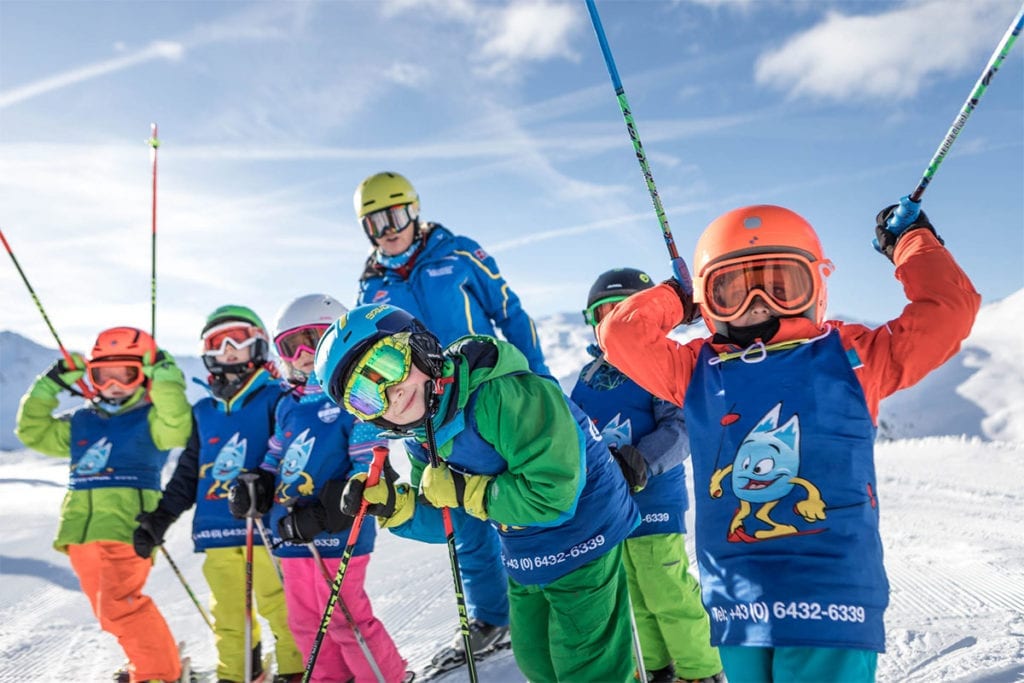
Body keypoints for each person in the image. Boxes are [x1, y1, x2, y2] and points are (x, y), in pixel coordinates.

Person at [598, 203, 980, 682]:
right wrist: (676, 295)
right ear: (709, 299)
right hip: (739, 602)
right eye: (731, 289)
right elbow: (620, 333)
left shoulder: (854, 357)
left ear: (815, 286)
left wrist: (913, 243)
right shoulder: (697, 372)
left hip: (831, 601)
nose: (758, 301)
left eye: (781, 284)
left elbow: (947, 314)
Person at [312, 303, 641, 682]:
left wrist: (465, 490)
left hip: (586, 533)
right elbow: (449, 520)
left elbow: (554, 495)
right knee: (535, 659)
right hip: (524, 544)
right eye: (365, 398)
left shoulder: (504, 394)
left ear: (420, 346)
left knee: (587, 666)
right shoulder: (424, 435)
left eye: (387, 366)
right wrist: (395, 506)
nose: (390, 393)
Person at [352, 171, 549, 666]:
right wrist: (378, 433)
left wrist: (538, 381)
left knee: (519, 497)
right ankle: (492, 618)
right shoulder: (371, 286)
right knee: (460, 515)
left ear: (414, 211)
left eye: (395, 216)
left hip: (486, 394)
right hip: (423, 415)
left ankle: (552, 600)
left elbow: (511, 312)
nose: (387, 230)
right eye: (373, 223)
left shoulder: (458, 253)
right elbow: (369, 361)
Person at [229, 293, 408, 683]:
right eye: (294, 345)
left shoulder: (355, 399)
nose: (307, 353)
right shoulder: (288, 405)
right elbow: (275, 457)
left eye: (318, 338)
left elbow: (368, 466)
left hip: (338, 532)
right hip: (290, 532)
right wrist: (258, 483)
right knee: (306, 622)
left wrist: (332, 512)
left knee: (345, 618)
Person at [132, 305, 304, 683]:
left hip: (265, 529)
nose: (229, 348)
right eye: (217, 341)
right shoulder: (204, 411)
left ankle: (295, 670)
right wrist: (161, 518)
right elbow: (188, 474)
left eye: (239, 339)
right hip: (215, 530)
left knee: (281, 606)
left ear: (258, 344)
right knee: (228, 615)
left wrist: (272, 489)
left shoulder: (278, 397)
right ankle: (238, 673)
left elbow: (295, 455)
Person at [572, 267, 724, 683]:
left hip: (654, 497)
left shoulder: (656, 366)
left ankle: (702, 669)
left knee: (665, 587)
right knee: (632, 590)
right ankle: (657, 667)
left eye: (617, 312)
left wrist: (639, 461)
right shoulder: (587, 379)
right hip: (609, 505)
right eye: (599, 316)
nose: (608, 324)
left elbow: (681, 429)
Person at [15, 327, 191, 683]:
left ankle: (160, 674)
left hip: (128, 527)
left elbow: (178, 427)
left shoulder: (152, 418)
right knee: (108, 611)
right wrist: (48, 386)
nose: (113, 385)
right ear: (91, 377)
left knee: (120, 606)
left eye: (125, 375)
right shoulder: (82, 420)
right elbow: (32, 432)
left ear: (142, 376)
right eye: (102, 375)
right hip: (81, 531)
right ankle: (155, 663)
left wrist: (165, 374)